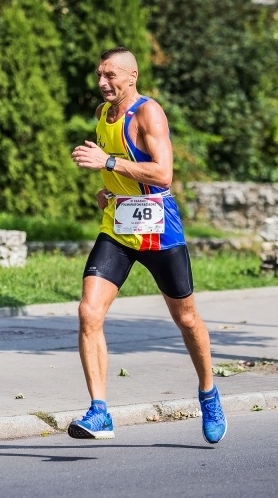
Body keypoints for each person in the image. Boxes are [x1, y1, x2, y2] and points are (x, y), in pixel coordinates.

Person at [69, 47, 226, 444]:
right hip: (119, 226)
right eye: (99, 75)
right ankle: (100, 412)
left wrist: (107, 164)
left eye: (110, 75)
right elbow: (120, 170)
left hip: (159, 228)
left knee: (187, 318)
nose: (103, 82)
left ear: (132, 76)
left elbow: (163, 173)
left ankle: (209, 393)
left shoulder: (148, 112)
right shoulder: (103, 115)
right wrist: (107, 192)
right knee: (89, 312)